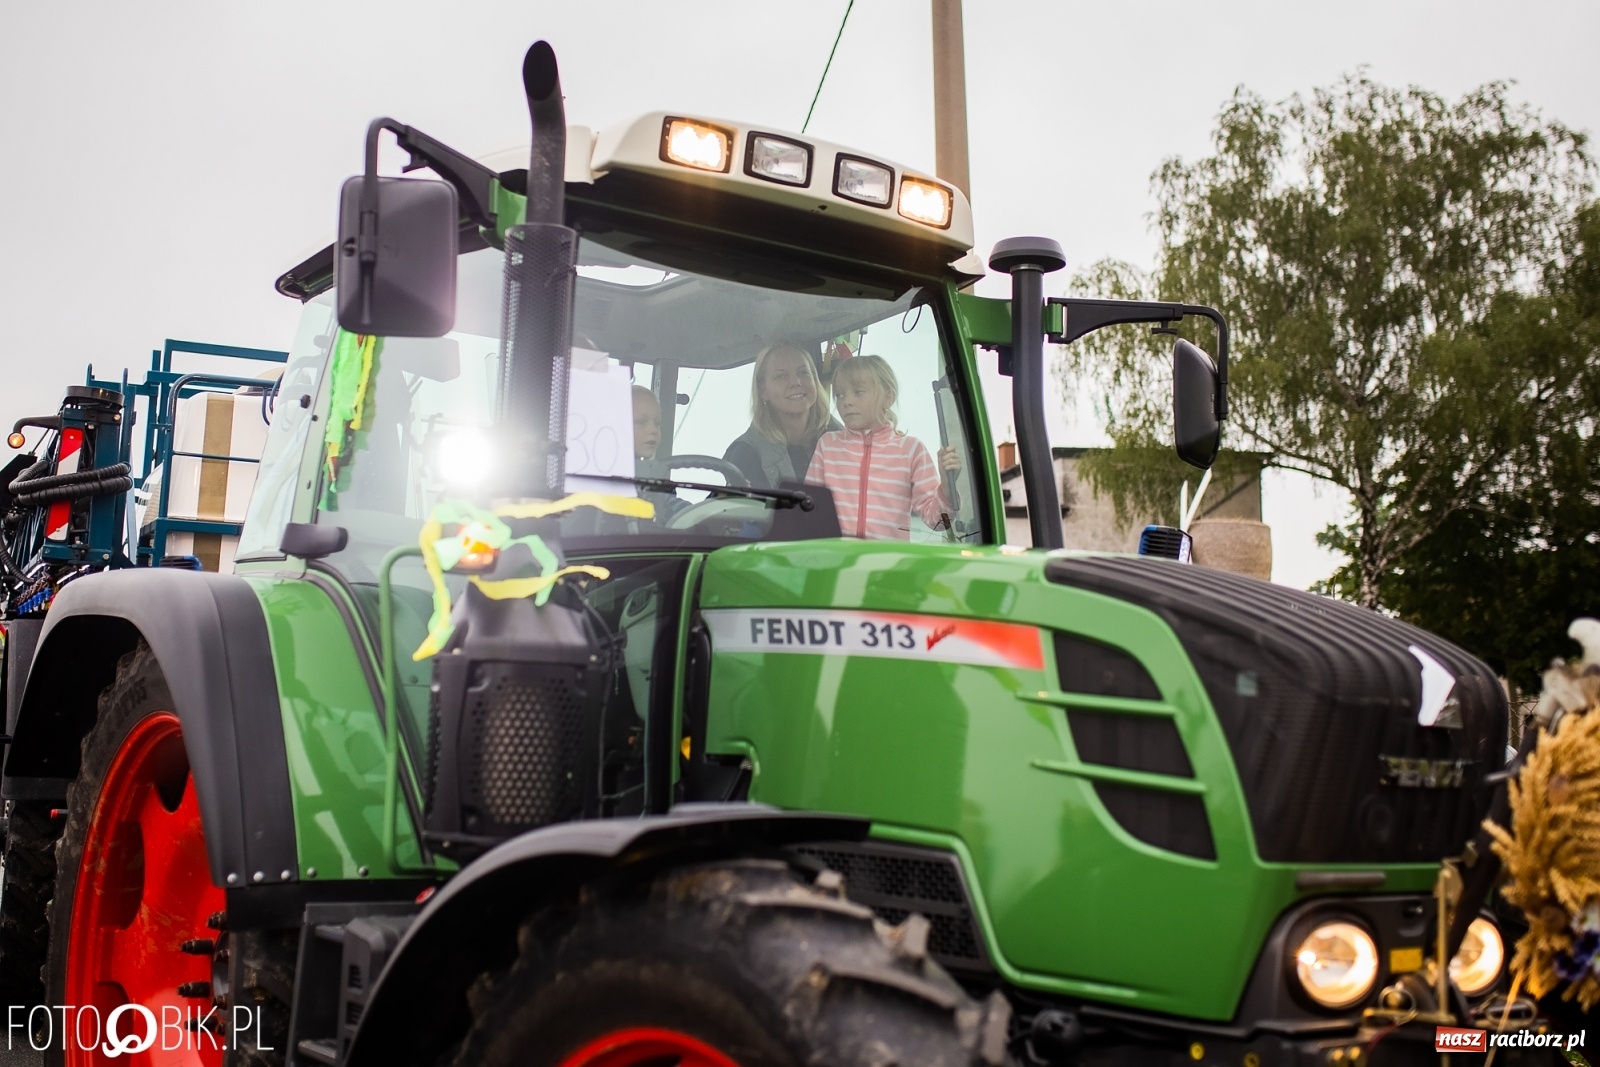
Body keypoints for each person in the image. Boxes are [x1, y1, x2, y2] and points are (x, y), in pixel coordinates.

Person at [804, 355, 961, 540]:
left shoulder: (911, 450)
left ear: (888, 397)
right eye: (840, 395)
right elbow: (807, 508)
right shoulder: (828, 445)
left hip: (888, 565)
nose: (846, 401)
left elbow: (939, 522)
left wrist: (947, 488)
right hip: (836, 564)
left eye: (858, 392)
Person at [723, 343, 837, 488]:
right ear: (762, 390)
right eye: (781, 376)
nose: (795, 382)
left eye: (803, 372)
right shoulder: (745, 453)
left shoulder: (842, 437)